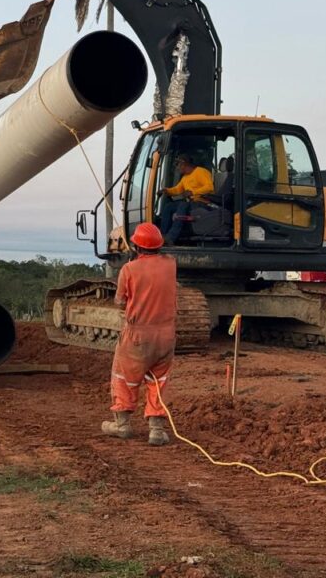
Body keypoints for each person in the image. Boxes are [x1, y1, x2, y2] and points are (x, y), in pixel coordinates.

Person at [102, 222, 177, 446]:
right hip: (166, 336)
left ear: (135, 246)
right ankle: (156, 429)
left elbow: (120, 302)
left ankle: (122, 425)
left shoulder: (129, 269)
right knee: (158, 381)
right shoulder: (171, 265)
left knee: (124, 378)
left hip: (137, 335)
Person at [158, 153, 214, 245]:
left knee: (183, 204)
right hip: (191, 203)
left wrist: (193, 192)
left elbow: (210, 187)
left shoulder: (201, 172)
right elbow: (177, 190)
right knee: (169, 207)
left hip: (202, 202)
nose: (177, 168)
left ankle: (171, 237)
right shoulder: (185, 178)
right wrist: (166, 191)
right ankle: (162, 235)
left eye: (178, 165)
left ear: (184, 164)